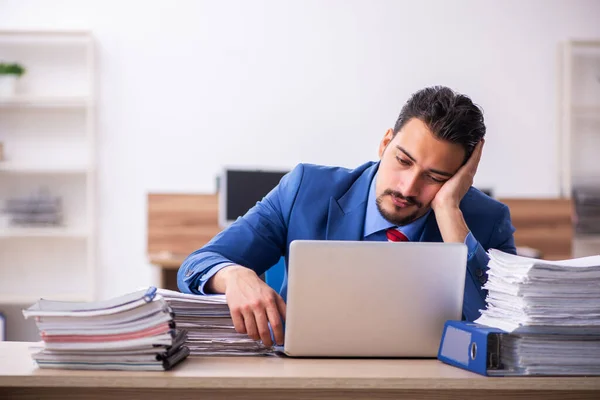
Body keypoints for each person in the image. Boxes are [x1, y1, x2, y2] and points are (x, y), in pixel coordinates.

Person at [177, 85, 517, 347]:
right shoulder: (305, 189)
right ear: (385, 143)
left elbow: (506, 331)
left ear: (459, 178)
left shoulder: (487, 221)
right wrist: (233, 275)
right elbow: (197, 264)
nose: (408, 187)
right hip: (308, 382)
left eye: (435, 177)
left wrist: (449, 213)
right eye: (403, 160)